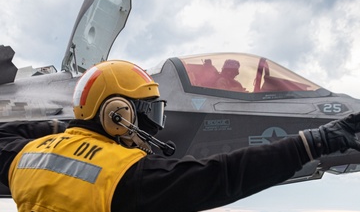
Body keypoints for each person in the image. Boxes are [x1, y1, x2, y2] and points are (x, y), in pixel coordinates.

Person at [0, 60, 359, 212]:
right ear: (118, 115)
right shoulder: (125, 176)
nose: (153, 128)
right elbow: (224, 176)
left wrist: (62, 130)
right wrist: (315, 142)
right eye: (149, 115)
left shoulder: (25, 159)